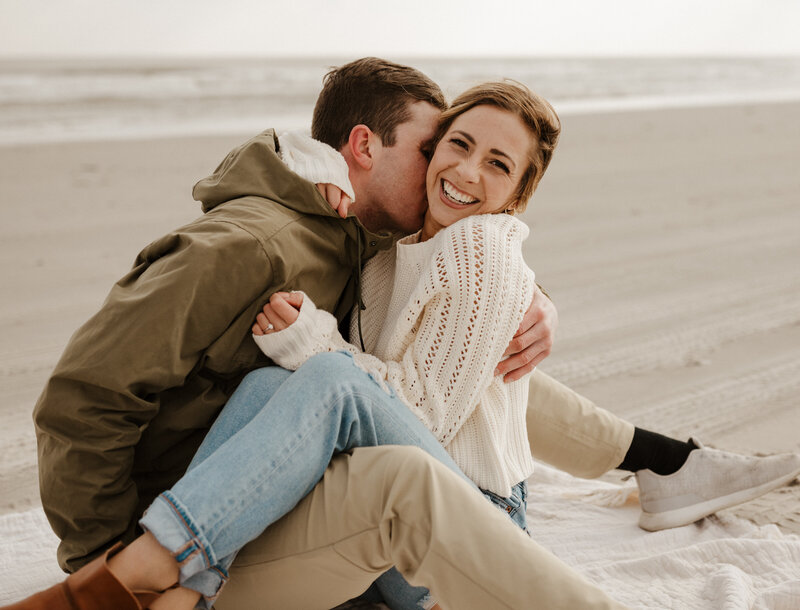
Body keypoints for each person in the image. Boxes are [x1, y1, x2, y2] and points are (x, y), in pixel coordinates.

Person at [12, 57, 798, 609]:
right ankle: (141, 576)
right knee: (311, 376)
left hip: (422, 477)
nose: (449, 171)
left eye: (491, 161)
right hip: (250, 491)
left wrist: (533, 299)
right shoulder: (267, 246)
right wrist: (99, 561)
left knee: (343, 371)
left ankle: (663, 460)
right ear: (361, 148)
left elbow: (474, 280)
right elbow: (82, 401)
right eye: (441, 147)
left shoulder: (378, 235)